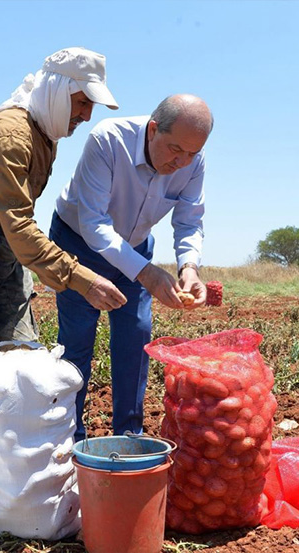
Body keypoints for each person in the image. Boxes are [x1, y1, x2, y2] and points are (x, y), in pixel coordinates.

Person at [0, 47, 128, 465]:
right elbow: (18, 224)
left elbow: (16, 227)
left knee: (19, 349)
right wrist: (81, 278)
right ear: (58, 91)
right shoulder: (12, 134)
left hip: (7, 246)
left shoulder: (45, 132)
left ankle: (5, 463)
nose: (86, 115)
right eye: (82, 102)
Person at [49, 94, 214, 442]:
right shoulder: (108, 140)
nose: (182, 162)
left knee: (135, 337)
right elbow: (94, 224)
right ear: (153, 129)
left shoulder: (192, 163)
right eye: (175, 150)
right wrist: (146, 273)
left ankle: (129, 436)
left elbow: (189, 221)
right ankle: (70, 440)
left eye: (192, 153)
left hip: (134, 248)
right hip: (78, 243)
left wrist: (189, 268)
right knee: (78, 341)